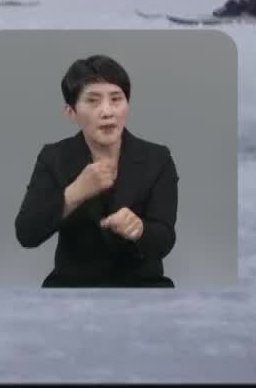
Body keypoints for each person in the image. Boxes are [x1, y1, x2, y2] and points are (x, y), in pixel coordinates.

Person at [13, 55, 177, 287]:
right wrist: (74, 193)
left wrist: (139, 229)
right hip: (72, 287)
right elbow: (26, 233)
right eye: (93, 101)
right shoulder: (54, 157)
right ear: (71, 112)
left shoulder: (158, 159)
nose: (107, 111)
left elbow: (165, 240)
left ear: (127, 105)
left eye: (116, 99)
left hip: (142, 286)